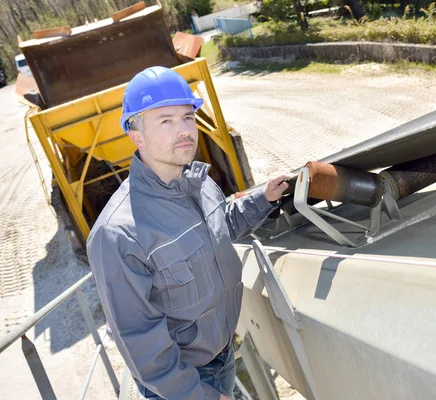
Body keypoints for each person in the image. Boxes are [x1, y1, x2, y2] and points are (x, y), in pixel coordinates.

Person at [86, 66, 291, 399]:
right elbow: (141, 345)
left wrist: (263, 198)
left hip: (223, 353)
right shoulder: (118, 234)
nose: (184, 131)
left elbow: (221, 227)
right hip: (181, 384)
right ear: (136, 135)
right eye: (166, 121)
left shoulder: (198, 182)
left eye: (187, 117)